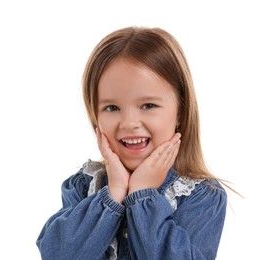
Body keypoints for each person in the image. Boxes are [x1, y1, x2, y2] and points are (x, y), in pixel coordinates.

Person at [36, 26, 227, 260]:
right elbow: (58, 255)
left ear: (180, 111)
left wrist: (143, 195)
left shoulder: (201, 195)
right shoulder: (84, 185)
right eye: (112, 108)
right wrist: (114, 193)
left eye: (148, 106)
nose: (128, 123)